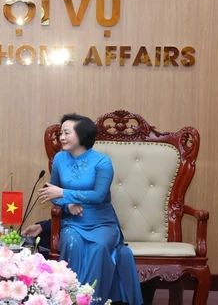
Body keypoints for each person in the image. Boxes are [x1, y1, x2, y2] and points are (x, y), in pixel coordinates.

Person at [37, 113, 143, 305]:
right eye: (61, 133)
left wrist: (64, 193)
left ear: (82, 135)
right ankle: (70, 299)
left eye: (66, 133)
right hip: (74, 223)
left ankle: (93, 300)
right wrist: (67, 204)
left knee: (99, 247)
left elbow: (98, 195)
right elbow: (53, 195)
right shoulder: (60, 159)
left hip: (102, 223)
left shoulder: (102, 162)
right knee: (72, 243)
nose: (61, 137)